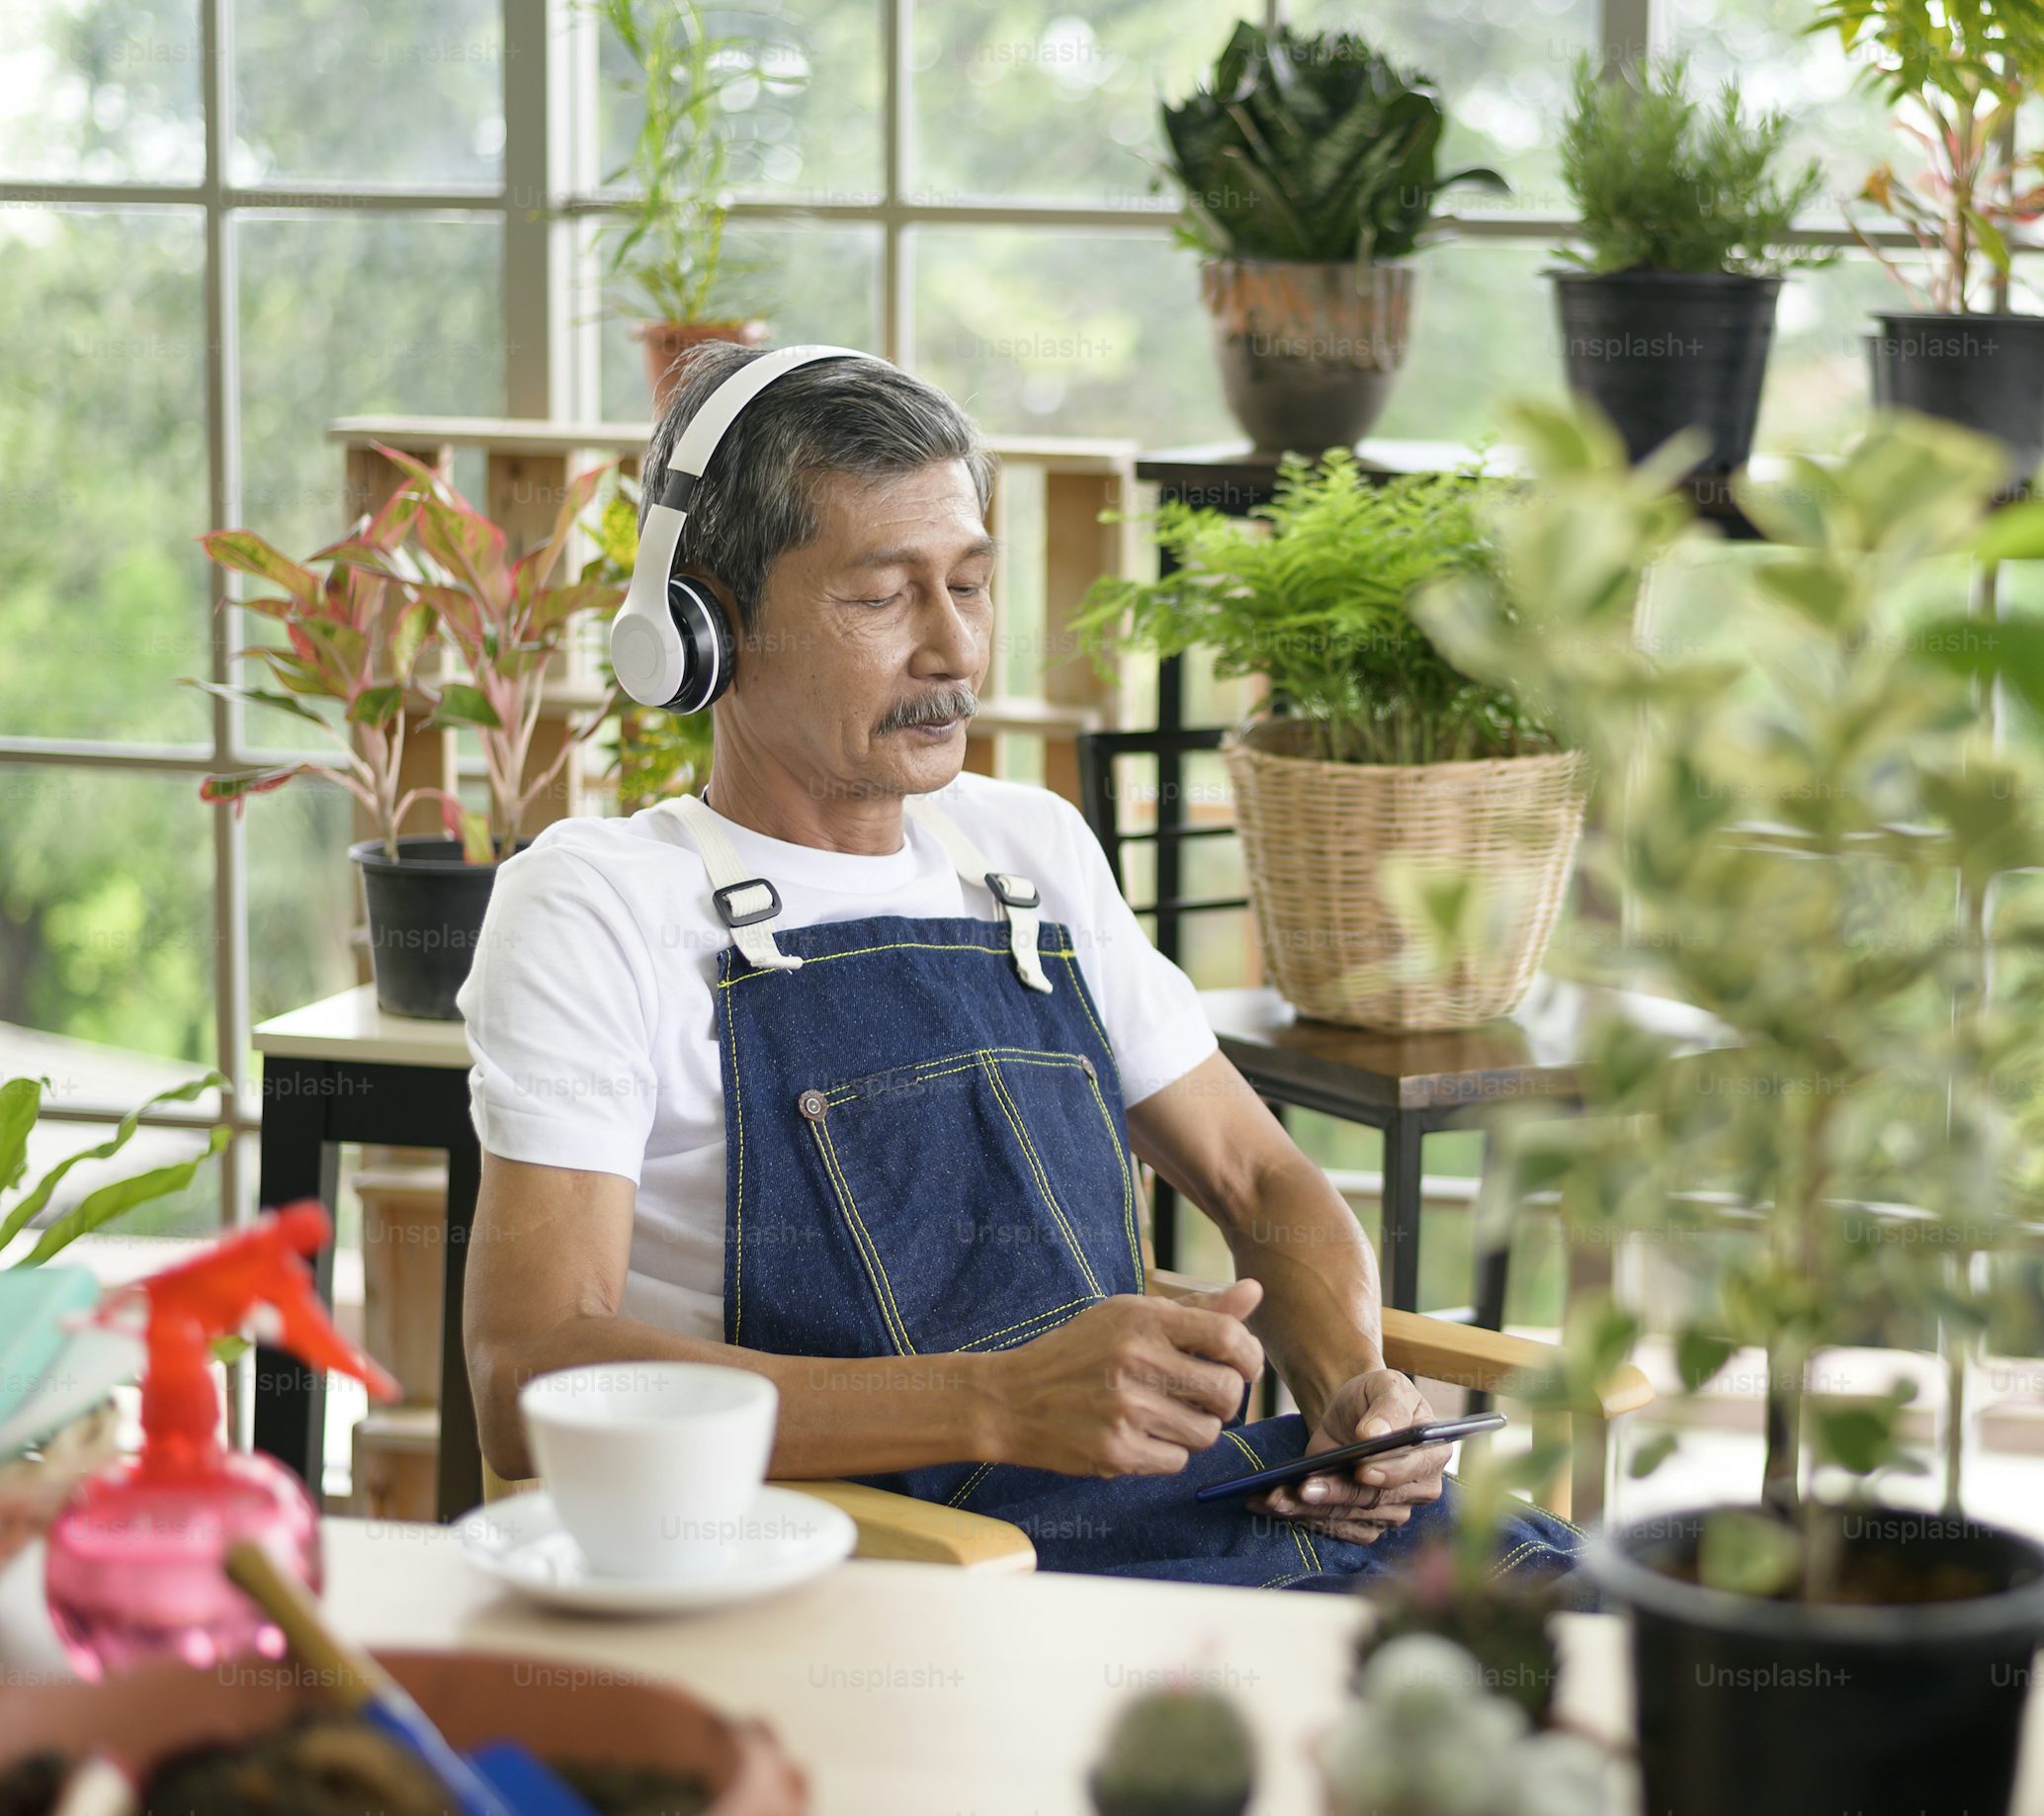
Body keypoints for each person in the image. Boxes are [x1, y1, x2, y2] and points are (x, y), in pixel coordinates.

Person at [456, 343, 1576, 1588]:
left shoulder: (1023, 847)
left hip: (1204, 1525)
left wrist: (1352, 1392)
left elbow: (1262, 1183)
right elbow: (530, 1372)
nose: (954, 652)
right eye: (883, 597)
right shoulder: (598, 903)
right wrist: (994, 1404)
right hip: (928, 1588)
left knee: (1622, 1635)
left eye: (972, 586)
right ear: (703, 626)